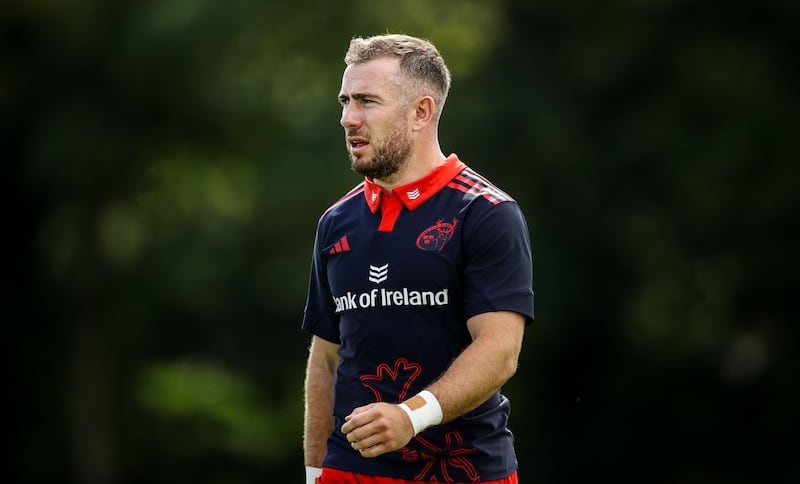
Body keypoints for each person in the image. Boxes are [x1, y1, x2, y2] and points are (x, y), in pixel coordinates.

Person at [302, 34, 534, 484]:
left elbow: (500, 349)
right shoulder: (336, 222)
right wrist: (314, 474)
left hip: (465, 472)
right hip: (351, 473)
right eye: (345, 101)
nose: (348, 118)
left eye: (367, 101)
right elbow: (326, 361)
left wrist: (412, 417)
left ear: (421, 112)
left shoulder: (485, 213)